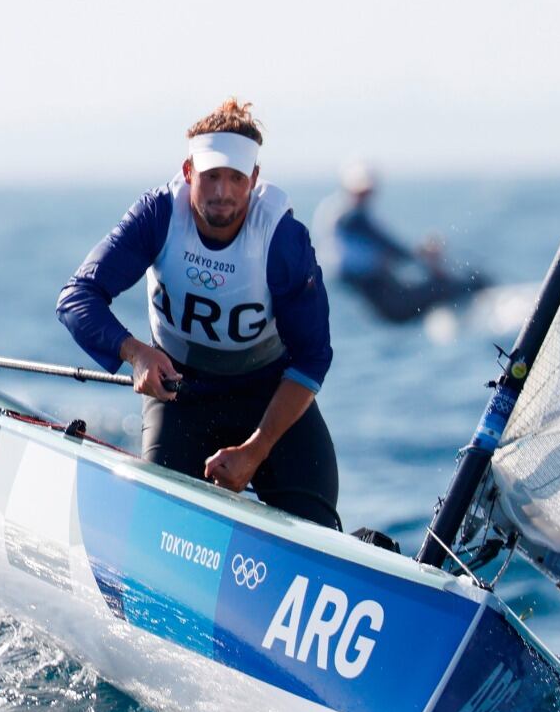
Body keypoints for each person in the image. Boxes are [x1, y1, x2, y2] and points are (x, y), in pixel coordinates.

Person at [56, 99, 339, 529]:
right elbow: (77, 297)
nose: (223, 192)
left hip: (270, 400)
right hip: (180, 398)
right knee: (156, 525)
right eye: (210, 177)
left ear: (254, 180)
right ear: (189, 173)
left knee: (319, 531)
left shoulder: (281, 238)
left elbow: (313, 356)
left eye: (235, 178)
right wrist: (136, 354)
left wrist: (256, 450)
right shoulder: (158, 215)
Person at [313, 162, 489, 322]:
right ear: (348, 189)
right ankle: (479, 290)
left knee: (431, 284)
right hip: (381, 297)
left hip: (376, 288)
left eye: (367, 191)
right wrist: (423, 254)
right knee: (444, 286)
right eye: (360, 192)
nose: (365, 196)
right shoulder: (351, 217)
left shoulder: (336, 212)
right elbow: (390, 246)